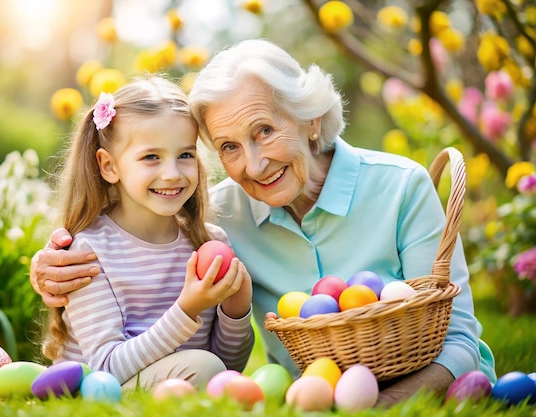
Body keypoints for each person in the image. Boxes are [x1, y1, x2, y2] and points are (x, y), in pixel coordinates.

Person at [31, 40, 496, 406]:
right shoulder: (220, 216)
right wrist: (49, 265)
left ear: (310, 119)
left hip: (412, 385)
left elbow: (459, 339)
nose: (253, 166)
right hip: (304, 398)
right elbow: (124, 236)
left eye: (265, 131)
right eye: (229, 146)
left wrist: (378, 406)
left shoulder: (402, 189)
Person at [38, 76, 254, 390]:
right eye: (151, 157)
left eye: (185, 155)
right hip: (97, 392)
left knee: (209, 369)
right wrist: (187, 308)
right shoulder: (88, 251)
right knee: (202, 367)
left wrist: (236, 311)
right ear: (109, 166)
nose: (172, 174)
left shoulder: (208, 243)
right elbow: (106, 368)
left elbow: (226, 370)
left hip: (176, 383)